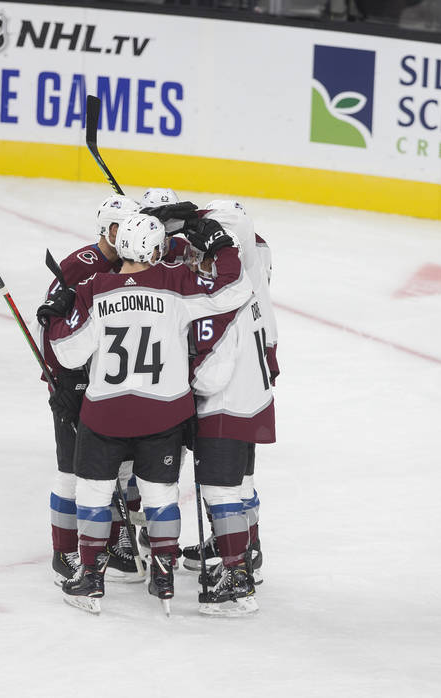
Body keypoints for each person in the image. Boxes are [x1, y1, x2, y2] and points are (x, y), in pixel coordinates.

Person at [42, 212, 252, 614]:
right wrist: (222, 244)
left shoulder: (96, 288)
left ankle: (89, 576)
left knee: (94, 493)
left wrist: (56, 315)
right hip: (164, 415)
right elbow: (233, 289)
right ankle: (164, 573)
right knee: (160, 495)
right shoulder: (173, 283)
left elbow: (68, 353)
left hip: (105, 414)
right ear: (155, 250)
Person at [35, 194, 148, 586]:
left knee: (113, 468)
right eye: (125, 227)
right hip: (72, 382)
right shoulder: (80, 265)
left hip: (108, 382)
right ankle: (63, 551)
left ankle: (115, 542)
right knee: (70, 470)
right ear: (110, 230)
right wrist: (59, 378)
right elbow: (48, 322)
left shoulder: (129, 264)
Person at [180, 200, 277, 616]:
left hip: (225, 402)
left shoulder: (223, 298)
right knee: (239, 484)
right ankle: (244, 549)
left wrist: (184, 389)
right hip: (253, 395)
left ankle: (237, 572)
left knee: (221, 489)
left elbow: (210, 375)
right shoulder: (249, 276)